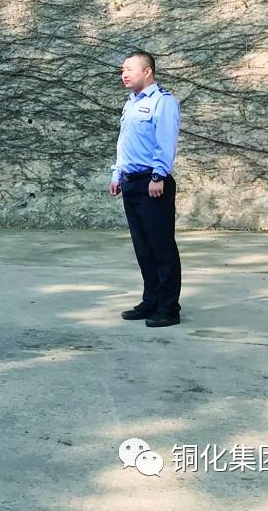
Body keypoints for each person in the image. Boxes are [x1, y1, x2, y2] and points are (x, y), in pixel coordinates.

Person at [109, 50, 182, 328]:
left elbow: (166, 141)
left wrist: (158, 175)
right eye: (122, 70)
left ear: (147, 71)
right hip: (131, 182)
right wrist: (117, 173)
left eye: (129, 69)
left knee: (161, 248)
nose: (124, 74)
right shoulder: (131, 103)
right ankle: (151, 300)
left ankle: (169, 308)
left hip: (152, 183)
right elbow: (124, 143)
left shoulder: (163, 101)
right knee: (143, 248)